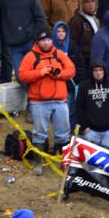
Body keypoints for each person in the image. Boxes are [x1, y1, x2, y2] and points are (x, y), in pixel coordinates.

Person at [19, 31, 76, 173]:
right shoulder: (30, 56)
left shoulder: (59, 54)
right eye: (43, 40)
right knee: (39, 134)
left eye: (48, 40)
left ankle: (64, 163)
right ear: (38, 42)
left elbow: (71, 70)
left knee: (63, 134)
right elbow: (22, 75)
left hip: (60, 101)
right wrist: (40, 72)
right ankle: (38, 163)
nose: (46, 43)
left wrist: (59, 73)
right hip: (39, 102)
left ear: (52, 40)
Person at [74, 61, 109, 150]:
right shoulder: (84, 87)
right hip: (90, 131)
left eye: (101, 70)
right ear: (91, 72)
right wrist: (84, 127)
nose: (98, 73)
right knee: (90, 161)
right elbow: (79, 108)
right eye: (95, 70)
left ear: (104, 71)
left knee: (108, 161)